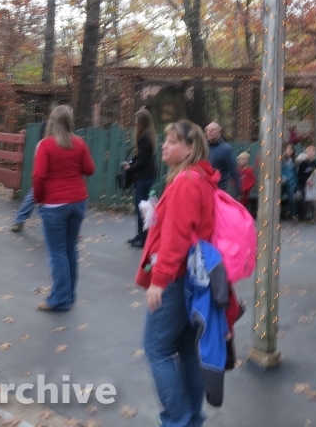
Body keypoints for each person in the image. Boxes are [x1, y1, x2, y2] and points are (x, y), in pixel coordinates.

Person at [137, 120, 219, 427]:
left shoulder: (185, 181)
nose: (164, 145)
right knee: (185, 350)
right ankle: (191, 418)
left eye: (172, 141)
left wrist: (158, 281)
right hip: (194, 278)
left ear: (189, 147)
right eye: (166, 140)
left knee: (156, 349)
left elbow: (176, 238)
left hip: (177, 278)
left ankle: (177, 419)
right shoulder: (198, 178)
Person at [34, 105, 95, 311]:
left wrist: (40, 198)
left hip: (54, 204)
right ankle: (69, 294)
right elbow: (89, 169)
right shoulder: (79, 143)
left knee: (57, 252)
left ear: (52, 121)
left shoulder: (46, 145)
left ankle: (59, 298)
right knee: (70, 249)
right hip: (78, 201)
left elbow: (39, 175)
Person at [123, 107, 158, 248]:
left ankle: (144, 238)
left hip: (144, 176)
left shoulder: (144, 138)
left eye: (137, 119)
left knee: (142, 208)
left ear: (142, 121)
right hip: (148, 175)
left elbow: (143, 162)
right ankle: (140, 234)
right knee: (141, 207)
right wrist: (132, 161)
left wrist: (130, 168)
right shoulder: (148, 136)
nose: (135, 122)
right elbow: (141, 157)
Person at [204, 122, 240, 197]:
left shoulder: (226, 149)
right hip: (205, 190)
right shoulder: (204, 148)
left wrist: (240, 190)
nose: (209, 132)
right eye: (208, 130)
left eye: (212, 130)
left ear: (219, 132)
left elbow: (234, 170)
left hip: (219, 191)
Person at [281, 143, 298, 220]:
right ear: (286, 150)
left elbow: (295, 173)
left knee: (292, 198)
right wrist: (282, 177)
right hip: (281, 182)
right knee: (277, 197)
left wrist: (295, 184)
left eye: (291, 150)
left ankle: (292, 214)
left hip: (290, 183)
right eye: (288, 149)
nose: (289, 151)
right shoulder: (282, 159)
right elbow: (278, 170)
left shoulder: (294, 161)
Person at [237, 151, 256, 216]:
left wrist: (245, 188)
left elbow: (252, 181)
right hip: (238, 191)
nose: (241, 161)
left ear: (246, 160)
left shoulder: (249, 170)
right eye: (240, 159)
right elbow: (234, 180)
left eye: (243, 159)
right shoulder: (237, 170)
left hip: (246, 191)